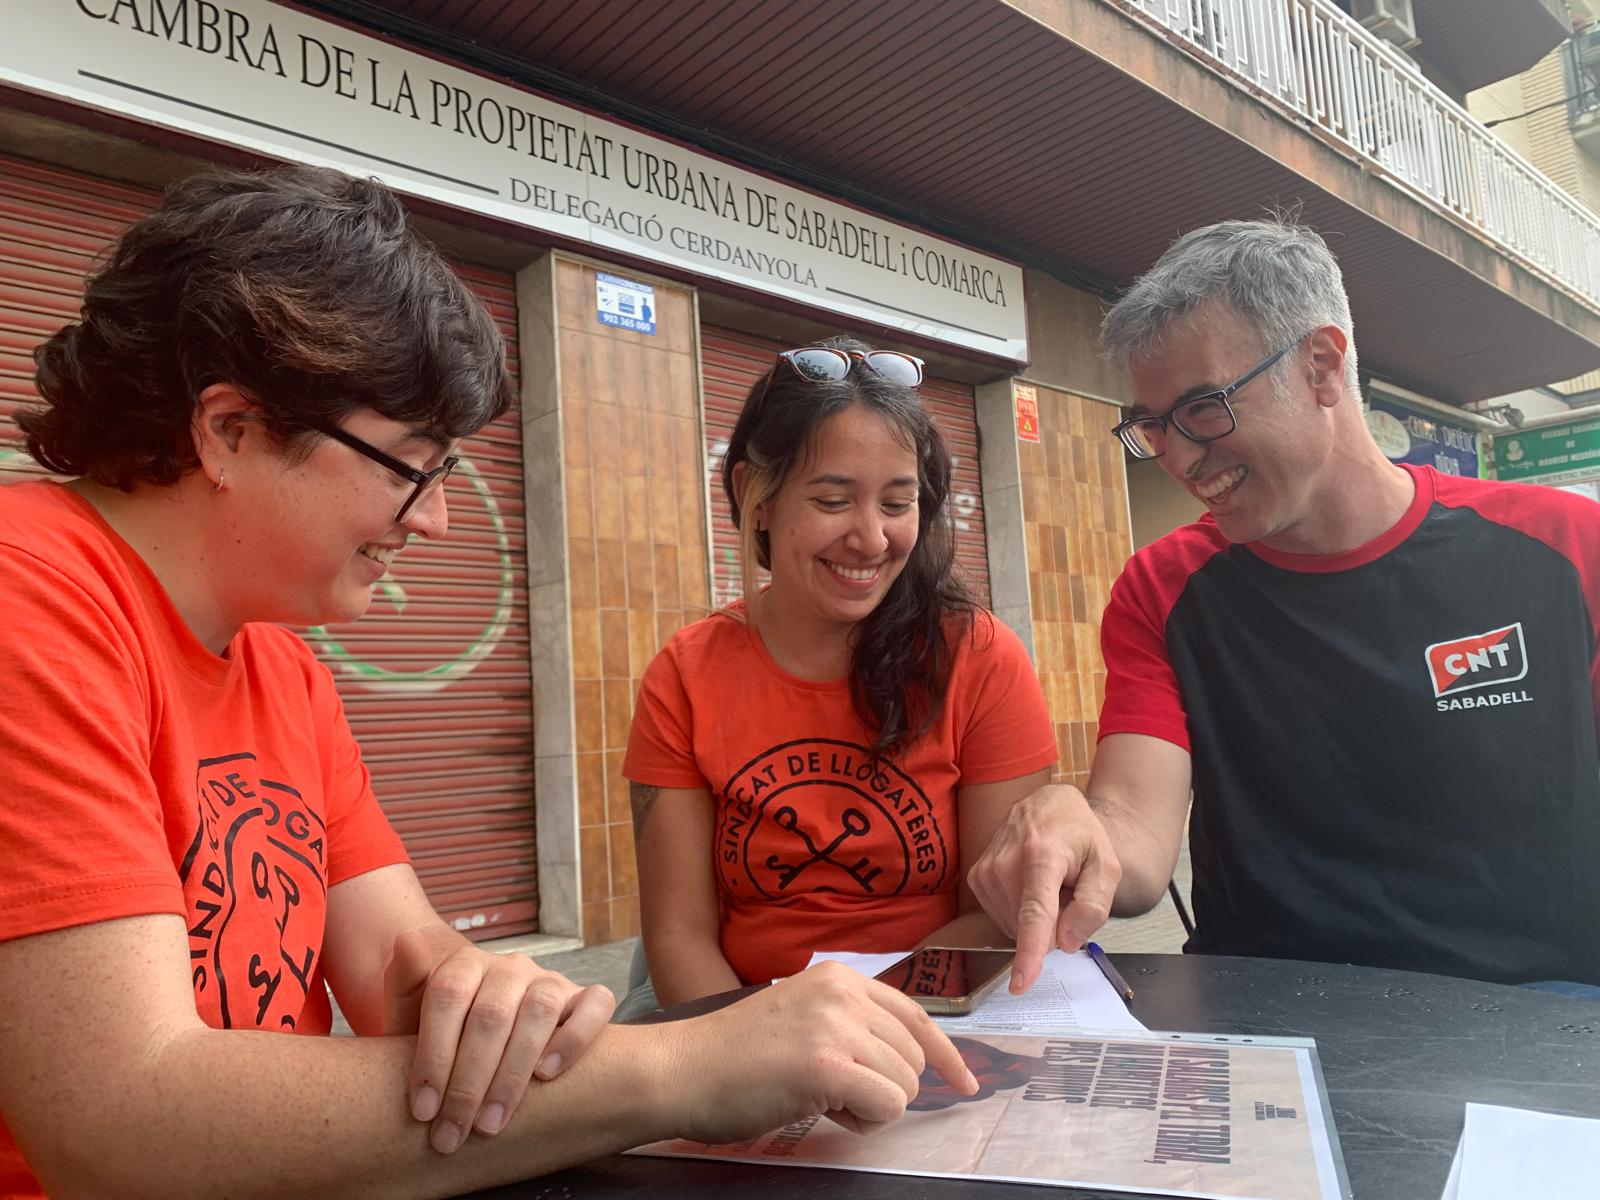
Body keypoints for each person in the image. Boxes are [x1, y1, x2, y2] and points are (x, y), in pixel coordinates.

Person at [0, 166, 976, 1200]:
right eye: (409, 468)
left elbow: (403, 975)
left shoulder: (277, 659)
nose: (435, 520)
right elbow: (118, 1125)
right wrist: (693, 1064)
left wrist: (492, 997)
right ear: (230, 431)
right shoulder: (33, 599)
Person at [969, 218, 1600, 997]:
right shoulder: (1162, 588)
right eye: (1153, 426)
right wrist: (1076, 830)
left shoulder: (1567, 549)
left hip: (1538, 1016)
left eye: (1203, 408)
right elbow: (1132, 825)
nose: (1179, 458)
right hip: (1265, 1006)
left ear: (1323, 367)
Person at [622, 337, 1060, 1016]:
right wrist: (758, 1057)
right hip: (739, 1026)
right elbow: (679, 936)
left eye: (896, 504)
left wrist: (864, 1027)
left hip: (935, 1016)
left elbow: (995, 914)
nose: (871, 539)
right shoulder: (683, 676)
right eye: (832, 501)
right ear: (754, 496)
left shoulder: (981, 659)